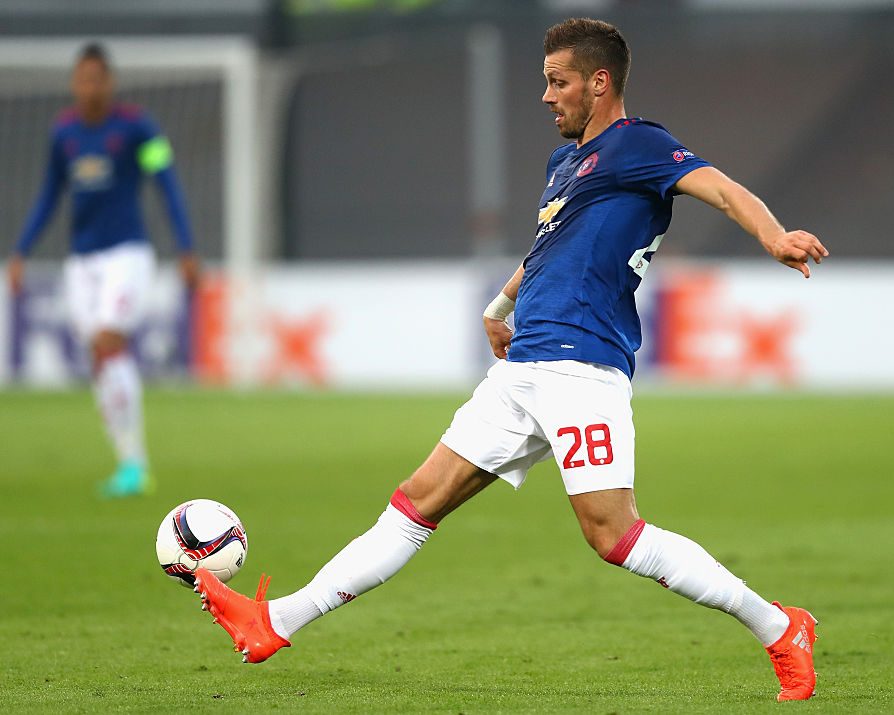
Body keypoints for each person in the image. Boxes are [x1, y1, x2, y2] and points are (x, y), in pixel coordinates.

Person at [193, 18, 828, 701]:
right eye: (546, 82)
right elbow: (546, 251)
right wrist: (499, 309)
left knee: (613, 535)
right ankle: (273, 621)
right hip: (524, 367)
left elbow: (724, 188)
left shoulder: (639, 144)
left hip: (583, 365)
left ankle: (779, 626)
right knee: (414, 505)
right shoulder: (564, 165)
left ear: (599, 81)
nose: (547, 96)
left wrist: (773, 235)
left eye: (559, 82)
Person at [7, 43, 199, 498]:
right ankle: (127, 461)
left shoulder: (137, 128)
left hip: (127, 254)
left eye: (97, 78)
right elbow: (49, 194)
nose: (90, 87)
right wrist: (21, 250)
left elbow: (167, 184)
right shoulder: (64, 134)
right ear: (75, 83)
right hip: (82, 259)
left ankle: (136, 466)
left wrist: (186, 248)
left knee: (109, 341)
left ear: (109, 82)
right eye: (82, 79)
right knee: (100, 356)